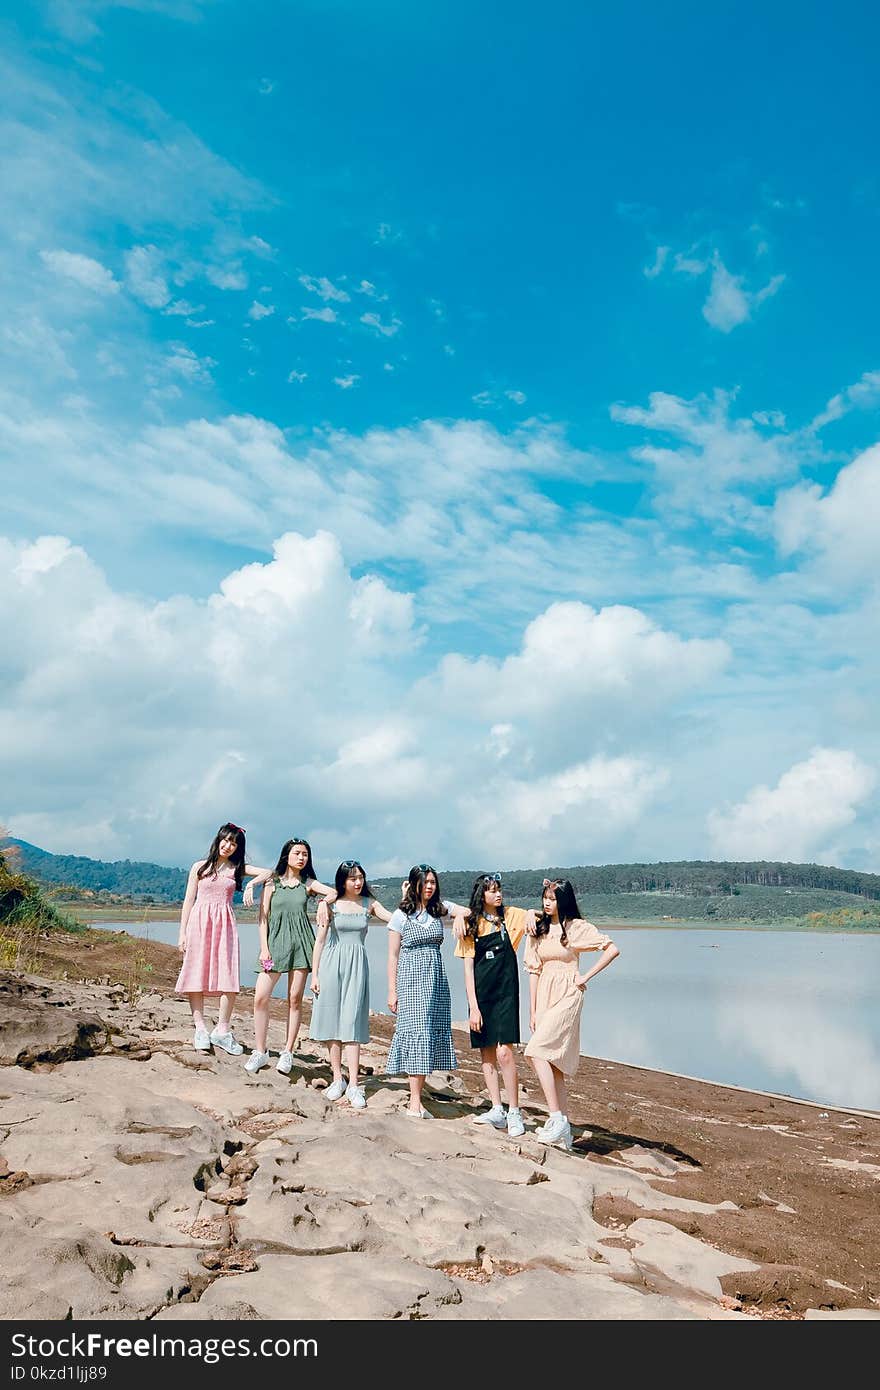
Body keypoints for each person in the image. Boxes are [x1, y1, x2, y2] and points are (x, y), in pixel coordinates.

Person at [524, 878, 619, 1150]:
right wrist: (532, 1010)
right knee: (550, 1062)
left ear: (563, 901)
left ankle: (556, 1119)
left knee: (535, 1052)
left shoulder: (576, 928)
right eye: (544, 897)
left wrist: (585, 976)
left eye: (552, 899)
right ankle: (564, 1130)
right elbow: (533, 970)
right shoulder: (537, 928)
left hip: (568, 993)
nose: (546, 902)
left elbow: (612, 948)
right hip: (544, 994)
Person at [245, 838, 336, 1075]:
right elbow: (262, 918)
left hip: (301, 944)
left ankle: (287, 1052)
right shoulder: (272, 883)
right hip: (274, 944)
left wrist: (325, 903)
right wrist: (264, 948)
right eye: (297, 853)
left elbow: (334, 892)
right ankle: (260, 1051)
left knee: (294, 999)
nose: (301, 857)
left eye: (305, 854)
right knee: (260, 998)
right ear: (287, 855)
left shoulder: (308, 883)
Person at [175, 823, 269, 1054]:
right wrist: (182, 932)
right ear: (218, 841)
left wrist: (251, 886)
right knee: (195, 973)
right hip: (199, 922)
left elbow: (271, 872)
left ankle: (222, 1030)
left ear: (238, 847)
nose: (228, 846)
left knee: (228, 975)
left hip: (225, 924)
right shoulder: (199, 867)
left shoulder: (237, 869)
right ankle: (200, 1028)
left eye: (234, 843)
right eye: (225, 840)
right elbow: (189, 900)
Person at [453, 874, 534, 1138]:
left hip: (506, 994)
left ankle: (514, 1111)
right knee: (486, 1054)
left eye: (499, 890)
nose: (498, 895)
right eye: (492, 892)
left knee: (504, 1054)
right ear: (481, 896)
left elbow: (536, 916)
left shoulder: (511, 916)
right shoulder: (471, 925)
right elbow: (467, 970)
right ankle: (496, 1108)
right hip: (481, 996)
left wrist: (533, 914)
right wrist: (473, 1008)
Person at [310, 860, 392, 1108]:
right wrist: (314, 974)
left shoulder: (370, 904)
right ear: (343, 880)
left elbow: (393, 919)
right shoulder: (330, 904)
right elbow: (320, 941)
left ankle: (355, 1084)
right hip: (331, 964)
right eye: (352, 878)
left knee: (352, 1022)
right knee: (331, 1022)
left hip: (357, 965)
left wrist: (409, 901)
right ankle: (337, 1078)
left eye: (360, 878)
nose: (357, 882)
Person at [386, 864, 466, 1119]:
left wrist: (461, 918)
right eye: (425, 882)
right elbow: (392, 956)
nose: (430, 886)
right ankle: (414, 1102)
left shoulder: (438, 909)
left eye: (433, 882)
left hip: (435, 981)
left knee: (428, 1033)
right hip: (410, 980)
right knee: (416, 1033)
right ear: (414, 884)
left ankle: (418, 1102)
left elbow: (468, 911)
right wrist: (391, 990)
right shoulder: (401, 915)